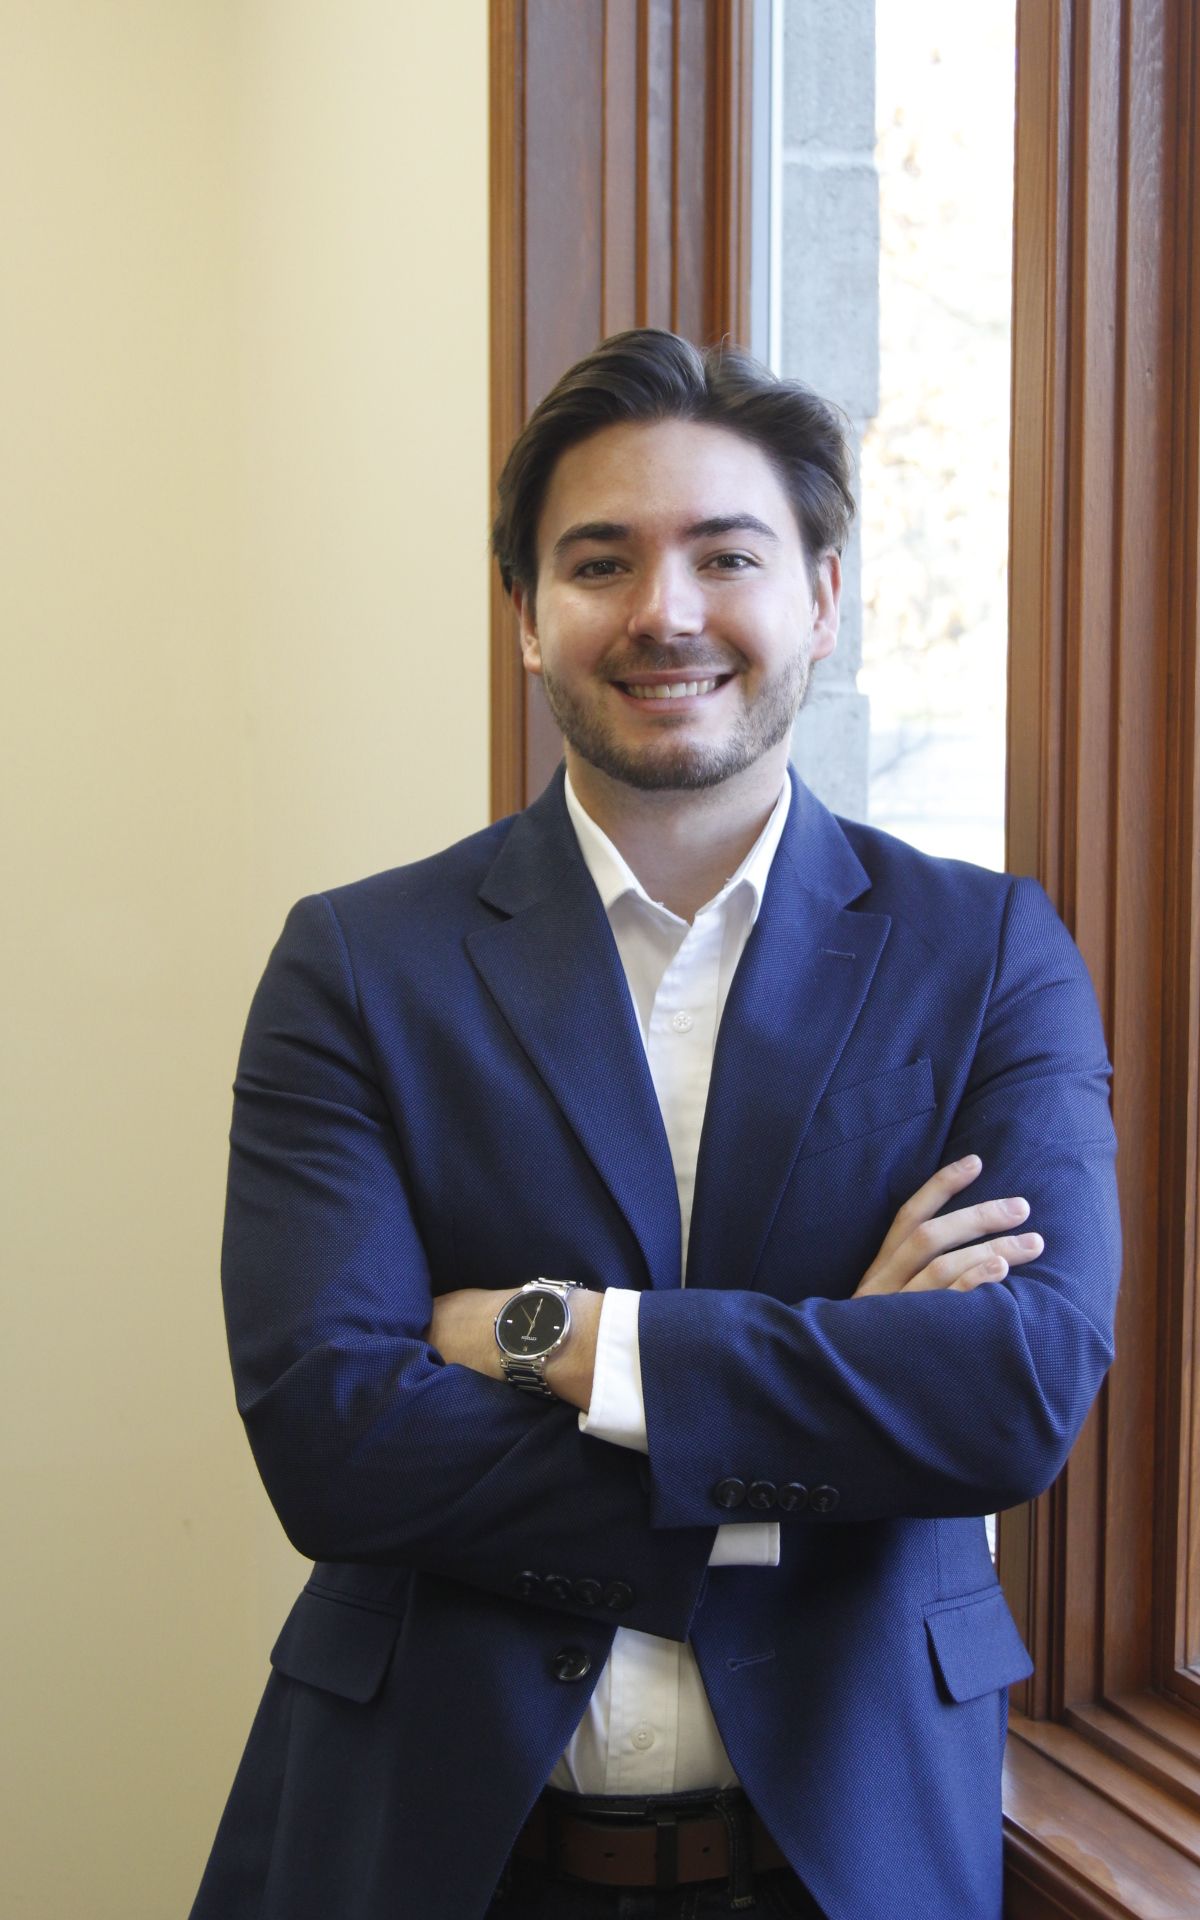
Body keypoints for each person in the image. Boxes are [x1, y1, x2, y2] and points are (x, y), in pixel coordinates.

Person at [190, 330, 1121, 1920]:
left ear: (822, 595)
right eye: (600, 562)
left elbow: (1013, 1398)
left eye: (727, 555)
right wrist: (826, 1405)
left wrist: (560, 1342)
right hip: (438, 1843)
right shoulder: (357, 964)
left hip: (842, 1851)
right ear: (528, 623)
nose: (665, 612)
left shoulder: (986, 953)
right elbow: (335, 1449)